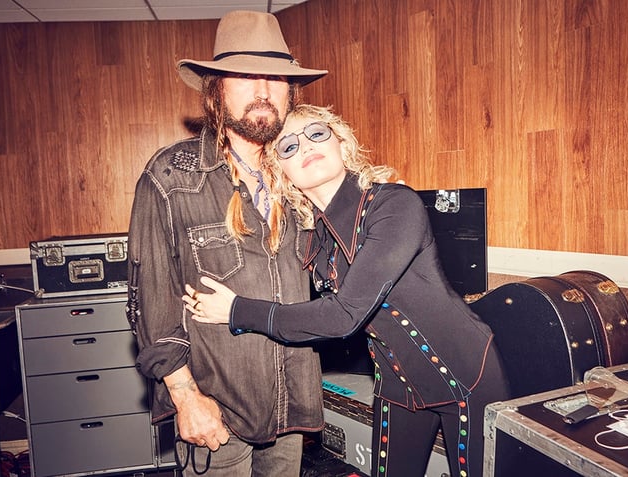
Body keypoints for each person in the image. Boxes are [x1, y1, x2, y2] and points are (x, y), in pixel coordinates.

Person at [185, 104, 512, 477]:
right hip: (397, 382)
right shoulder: (312, 235)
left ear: (342, 143)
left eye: (317, 133)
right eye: (288, 146)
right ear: (282, 172)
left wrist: (236, 311)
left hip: (467, 374)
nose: (305, 146)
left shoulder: (394, 205)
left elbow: (343, 315)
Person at [126, 11, 328, 477]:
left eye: (276, 78)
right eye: (245, 77)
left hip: (291, 405)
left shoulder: (302, 174)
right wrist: (185, 397)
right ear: (216, 90)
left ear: (290, 91)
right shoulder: (171, 178)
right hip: (216, 412)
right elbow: (149, 302)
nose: (263, 90)